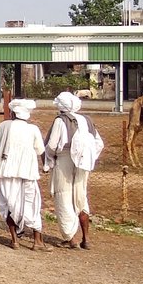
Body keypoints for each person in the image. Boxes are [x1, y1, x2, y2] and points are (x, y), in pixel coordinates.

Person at [44, 92, 105, 249]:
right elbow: (99, 143)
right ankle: (86, 239)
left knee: (63, 196)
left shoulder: (60, 121)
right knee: (81, 196)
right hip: (83, 162)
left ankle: (70, 238)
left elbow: (51, 145)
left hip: (64, 159)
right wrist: (88, 157)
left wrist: (50, 158)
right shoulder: (87, 120)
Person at [0, 99, 51, 251]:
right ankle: (37, 241)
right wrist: (45, 166)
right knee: (32, 204)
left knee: (9, 205)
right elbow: (41, 150)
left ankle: (14, 240)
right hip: (27, 172)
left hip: (5, 171)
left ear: (12, 112)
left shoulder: (4, 126)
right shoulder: (33, 129)